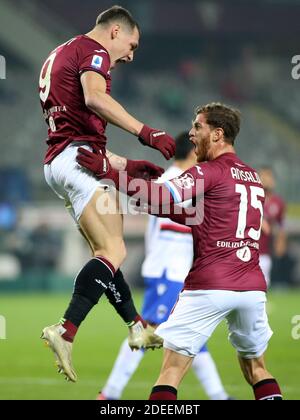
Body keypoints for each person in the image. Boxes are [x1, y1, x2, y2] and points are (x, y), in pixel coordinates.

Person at [77, 102, 283, 400]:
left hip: (210, 284)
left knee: (171, 370)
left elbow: (161, 194)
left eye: (198, 126)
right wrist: (154, 203)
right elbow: (198, 215)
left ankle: (110, 394)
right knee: (257, 370)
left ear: (217, 134)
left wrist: (111, 175)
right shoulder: (253, 178)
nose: (191, 132)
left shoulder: (208, 171)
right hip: (252, 287)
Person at [38, 5, 175, 382]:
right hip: (76, 163)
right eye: (131, 44)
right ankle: (65, 332)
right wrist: (146, 133)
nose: (130, 55)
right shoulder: (94, 51)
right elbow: (95, 99)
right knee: (113, 252)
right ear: (115, 31)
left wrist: (125, 166)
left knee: (105, 256)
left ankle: (136, 325)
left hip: (62, 162)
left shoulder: (61, 51)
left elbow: (76, 133)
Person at [98, 132, 231, 401]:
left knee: (192, 334)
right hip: (167, 272)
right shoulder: (174, 181)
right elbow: (176, 226)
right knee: (146, 331)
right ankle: (110, 394)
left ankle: (219, 396)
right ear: (193, 152)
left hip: (179, 274)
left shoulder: (183, 182)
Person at [258, 167, 287, 287]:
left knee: (264, 283)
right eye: (263, 176)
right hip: (245, 247)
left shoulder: (278, 202)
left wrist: (281, 242)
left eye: (269, 177)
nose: (266, 180)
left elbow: (281, 226)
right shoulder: (252, 196)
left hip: (265, 251)